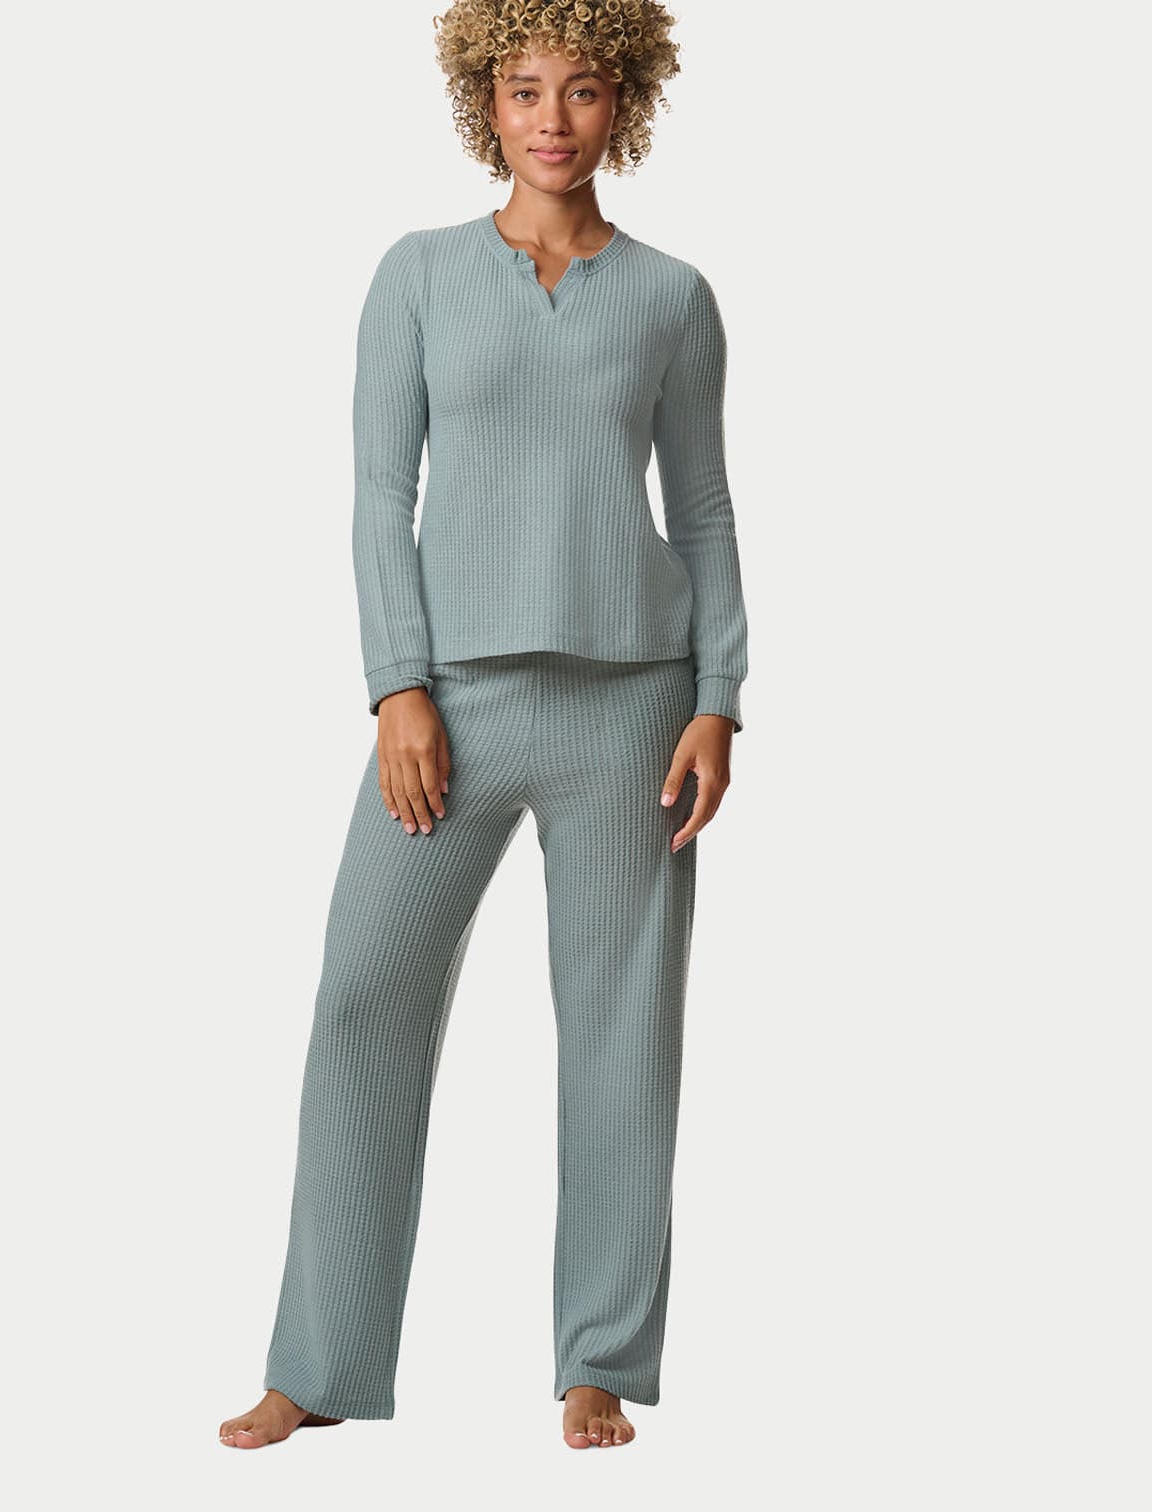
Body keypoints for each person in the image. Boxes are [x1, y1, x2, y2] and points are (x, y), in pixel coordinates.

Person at [220, 0, 747, 1453]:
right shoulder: (417, 274)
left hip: (634, 705)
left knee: (621, 1032)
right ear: (484, 100)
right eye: (524, 89)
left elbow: (702, 509)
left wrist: (717, 698)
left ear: (624, 100)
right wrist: (399, 685)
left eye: (582, 90)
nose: (552, 119)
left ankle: (599, 1362)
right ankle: (319, 1361)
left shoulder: (672, 296)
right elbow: (374, 491)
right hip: (450, 706)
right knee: (361, 1002)